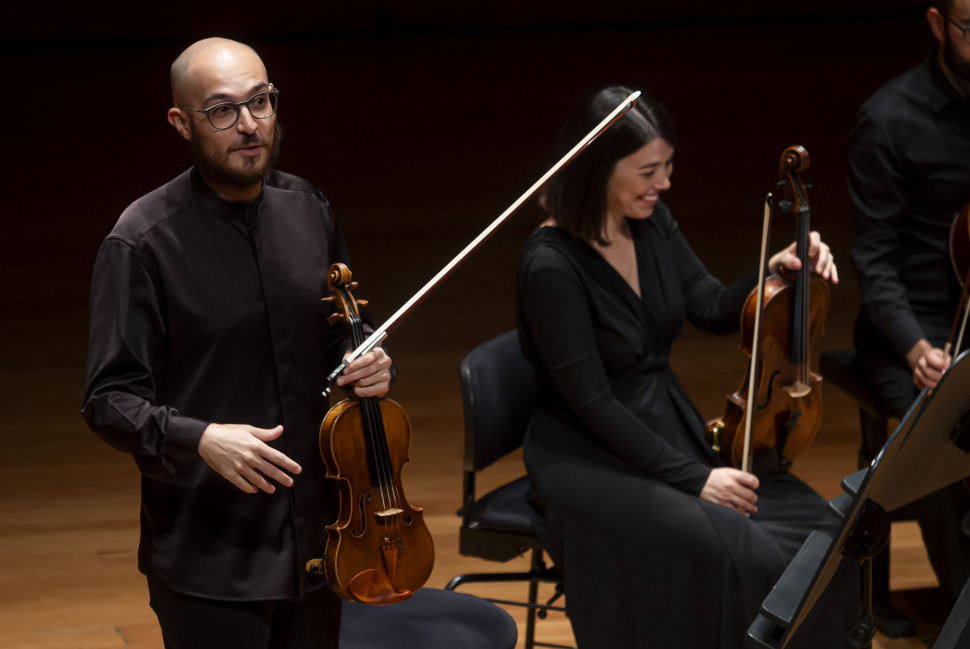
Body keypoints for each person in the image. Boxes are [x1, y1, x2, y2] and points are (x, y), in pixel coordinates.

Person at [515, 85, 857, 648]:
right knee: (749, 552)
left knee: (821, 530)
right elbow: (592, 403)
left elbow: (712, 305)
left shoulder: (651, 221)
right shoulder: (550, 267)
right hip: (587, 457)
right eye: (649, 170)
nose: (665, 183)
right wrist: (697, 478)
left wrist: (777, 271)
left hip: (662, 426)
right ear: (598, 165)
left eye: (669, 166)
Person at [81, 37, 392, 649]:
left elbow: (339, 337)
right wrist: (200, 438)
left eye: (261, 102)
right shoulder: (142, 242)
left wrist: (370, 366)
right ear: (181, 122)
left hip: (324, 540)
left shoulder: (309, 208)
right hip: (212, 555)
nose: (249, 125)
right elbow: (108, 399)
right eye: (223, 110)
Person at [848, 0, 970, 603]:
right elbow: (873, 258)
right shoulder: (890, 120)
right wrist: (916, 345)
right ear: (937, 23)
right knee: (943, 451)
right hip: (912, 333)